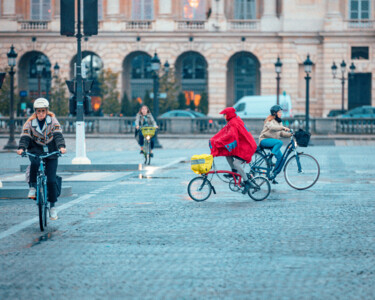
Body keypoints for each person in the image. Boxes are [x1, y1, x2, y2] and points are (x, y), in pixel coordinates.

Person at [16, 98, 66, 220]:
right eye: (38, 111)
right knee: (35, 163)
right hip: (36, 150)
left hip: (51, 151)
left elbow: (58, 135)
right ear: (35, 112)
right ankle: (32, 187)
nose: (41, 114)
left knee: (51, 180)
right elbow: (25, 137)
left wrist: (61, 147)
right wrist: (21, 148)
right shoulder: (30, 123)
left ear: (47, 111)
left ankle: (53, 207)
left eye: (43, 111)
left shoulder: (53, 121)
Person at [209, 107, 257, 194]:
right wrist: (216, 139)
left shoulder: (234, 123)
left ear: (229, 114)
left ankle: (247, 182)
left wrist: (218, 141)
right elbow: (224, 132)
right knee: (228, 154)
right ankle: (234, 172)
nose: (224, 116)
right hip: (243, 145)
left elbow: (231, 136)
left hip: (247, 147)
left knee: (236, 163)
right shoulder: (233, 120)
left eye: (225, 114)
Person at [259, 105, 292, 183]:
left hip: (273, 143)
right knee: (279, 142)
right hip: (264, 140)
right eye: (279, 112)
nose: (281, 114)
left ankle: (273, 175)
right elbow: (272, 128)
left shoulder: (279, 122)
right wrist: (283, 127)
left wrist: (290, 134)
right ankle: (270, 157)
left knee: (281, 159)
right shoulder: (269, 120)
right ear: (274, 113)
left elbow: (281, 133)